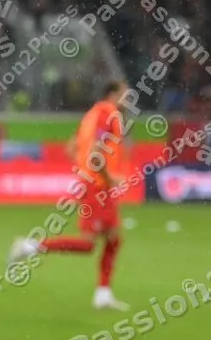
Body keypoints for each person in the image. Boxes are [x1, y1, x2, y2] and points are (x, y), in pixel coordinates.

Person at [9, 79, 130, 311]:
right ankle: (29, 246)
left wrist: (85, 169)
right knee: (87, 244)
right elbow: (95, 149)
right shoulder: (108, 113)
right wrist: (107, 176)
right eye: (125, 94)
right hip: (98, 186)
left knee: (114, 239)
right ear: (113, 94)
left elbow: (71, 148)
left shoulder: (90, 115)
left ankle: (103, 294)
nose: (129, 99)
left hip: (95, 183)